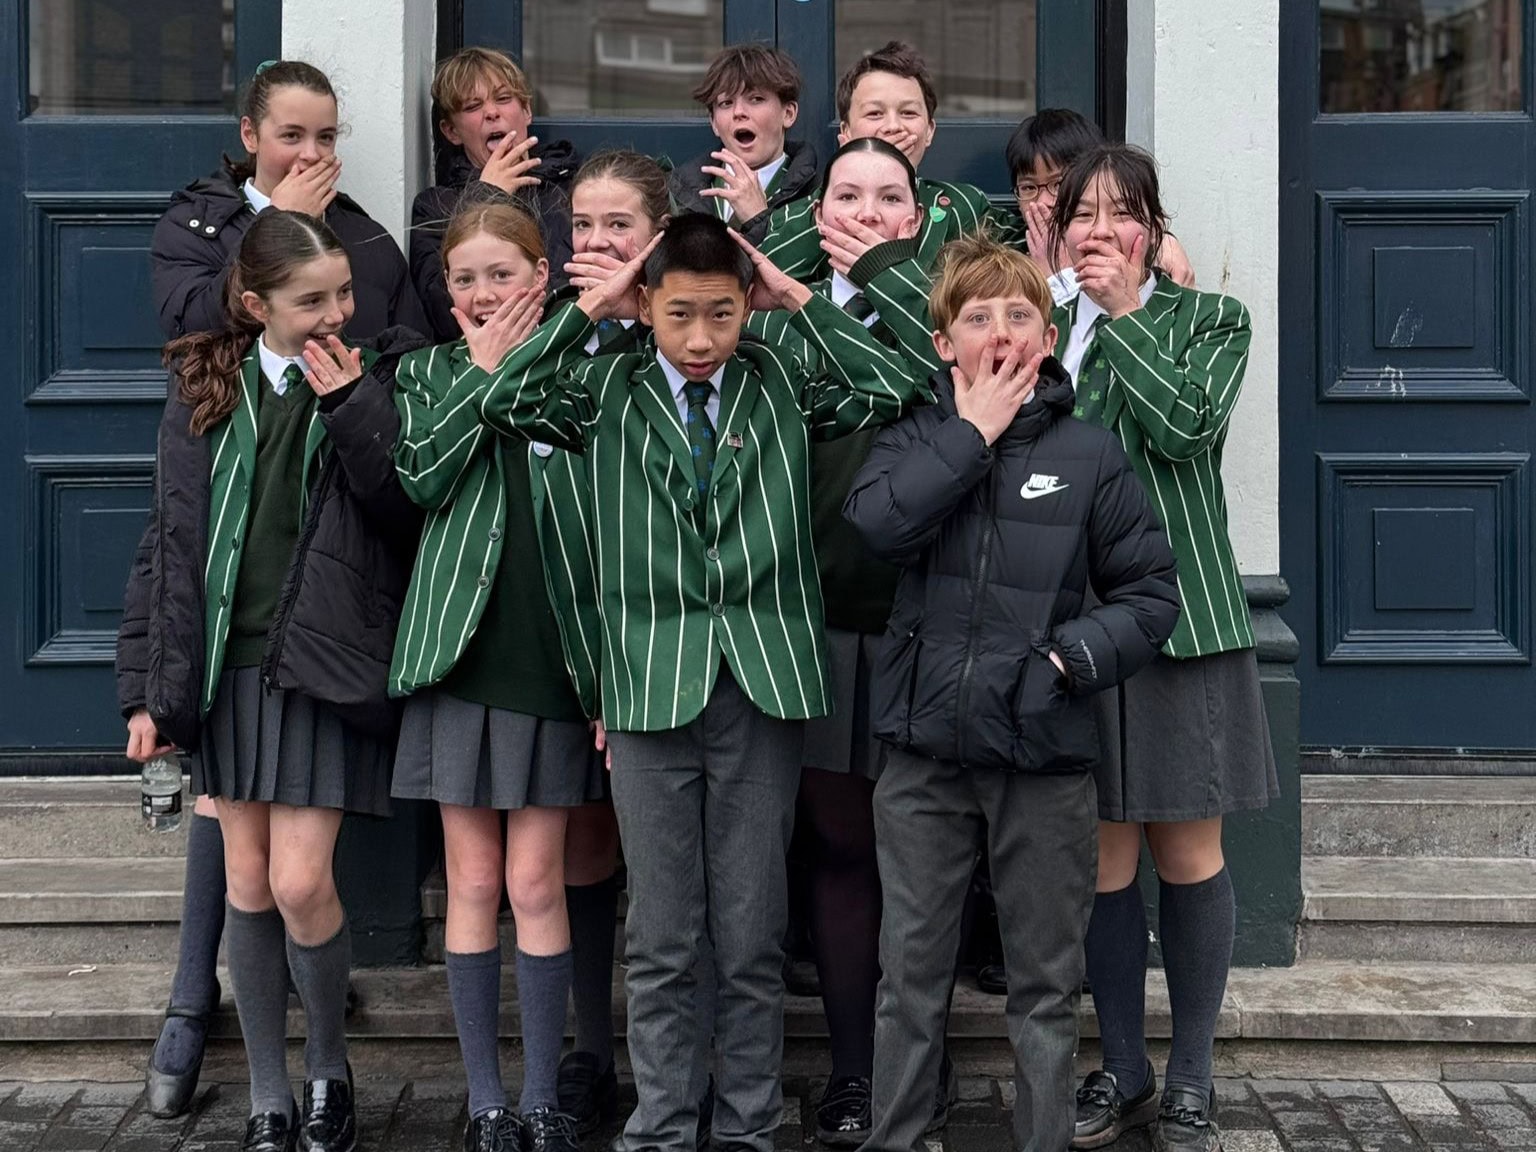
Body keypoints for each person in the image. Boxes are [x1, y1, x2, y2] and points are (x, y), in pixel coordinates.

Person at [476, 213, 922, 1152]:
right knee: (664, 935)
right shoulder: (605, 386)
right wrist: (592, 303)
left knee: (754, 930)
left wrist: (794, 295)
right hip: (646, 687)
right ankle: (662, 1127)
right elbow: (505, 396)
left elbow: (899, 381)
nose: (702, 340)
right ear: (647, 306)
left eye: (722, 315)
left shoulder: (781, 382)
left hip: (762, 684)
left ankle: (750, 1127)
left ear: (746, 304)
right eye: (679, 315)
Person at [843, 232, 1180, 1152]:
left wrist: (1069, 658)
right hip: (922, 757)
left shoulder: (1089, 454)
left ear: (1047, 332)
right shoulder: (914, 437)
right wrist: (972, 435)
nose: (999, 331)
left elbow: (1153, 596)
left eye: (1020, 314)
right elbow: (877, 525)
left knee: (1041, 983)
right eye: (977, 317)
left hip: (1043, 757)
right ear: (944, 340)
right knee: (909, 976)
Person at [141, 59, 427, 1120]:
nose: (336, 314)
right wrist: (147, 687)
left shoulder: (369, 378)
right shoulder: (209, 388)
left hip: (321, 663)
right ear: (257, 303)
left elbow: (398, 509)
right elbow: (166, 548)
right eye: (315, 300)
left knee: (303, 883)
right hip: (232, 670)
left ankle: (329, 1073)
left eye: (344, 295)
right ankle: (270, 1096)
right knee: (249, 884)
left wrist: (354, 406)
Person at [1046, 143, 1278, 1152]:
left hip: (1185, 629)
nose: (1100, 233)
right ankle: (1123, 1068)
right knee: (1100, 857)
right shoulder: (1044, 331)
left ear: (1154, 227)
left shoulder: (1208, 321)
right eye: (1082, 216)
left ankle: (1191, 1076)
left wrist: (1128, 317)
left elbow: (1185, 431)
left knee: (1187, 852)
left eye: (1121, 213)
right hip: (1073, 637)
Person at [391, 202, 603, 1152]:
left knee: (536, 882)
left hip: (551, 663)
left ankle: (545, 1093)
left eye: (502, 275)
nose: (483, 294)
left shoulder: (577, 380)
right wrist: (479, 373)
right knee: (473, 881)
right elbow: (422, 480)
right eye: (465, 280)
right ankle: (485, 1101)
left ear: (542, 277)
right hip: (458, 658)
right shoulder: (430, 372)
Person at [744, 136, 933, 1146]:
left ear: (915, 216)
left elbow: (922, 386)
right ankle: (856, 1073)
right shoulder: (775, 329)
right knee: (838, 849)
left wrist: (851, 289)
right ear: (814, 212)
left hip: (923, 628)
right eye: (846, 194)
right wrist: (812, 301)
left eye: (887, 197)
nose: (865, 209)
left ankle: (920, 1066)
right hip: (811, 628)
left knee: (926, 858)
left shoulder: (940, 303)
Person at [757, 40, 1019, 281]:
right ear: (845, 133)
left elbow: (1036, 257)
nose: (893, 126)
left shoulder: (964, 206)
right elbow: (765, 279)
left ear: (929, 131)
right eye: (874, 113)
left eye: (908, 112)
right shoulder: (796, 213)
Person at [410, 47, 580, 339]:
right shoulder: (435, 206)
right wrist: (486, 196)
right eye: (473, 107)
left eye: (503, 99)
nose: (492, 113)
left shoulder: (573, 188)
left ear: (526, 111)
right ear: (451, 130)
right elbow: (442, 310)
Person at [1003, 108, 1195, 301]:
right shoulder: (1007, 249)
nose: (1043, 201)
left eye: (1058, 184)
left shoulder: (1141, 253)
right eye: (1028, 187)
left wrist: (1162, 240)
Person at [668, 44, 818, 244]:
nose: (738, 112)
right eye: (726, 103)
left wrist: (758, 219)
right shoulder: (676, 193)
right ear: (713, 122)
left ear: (788, 114)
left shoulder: (818, 199)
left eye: (756, 99)